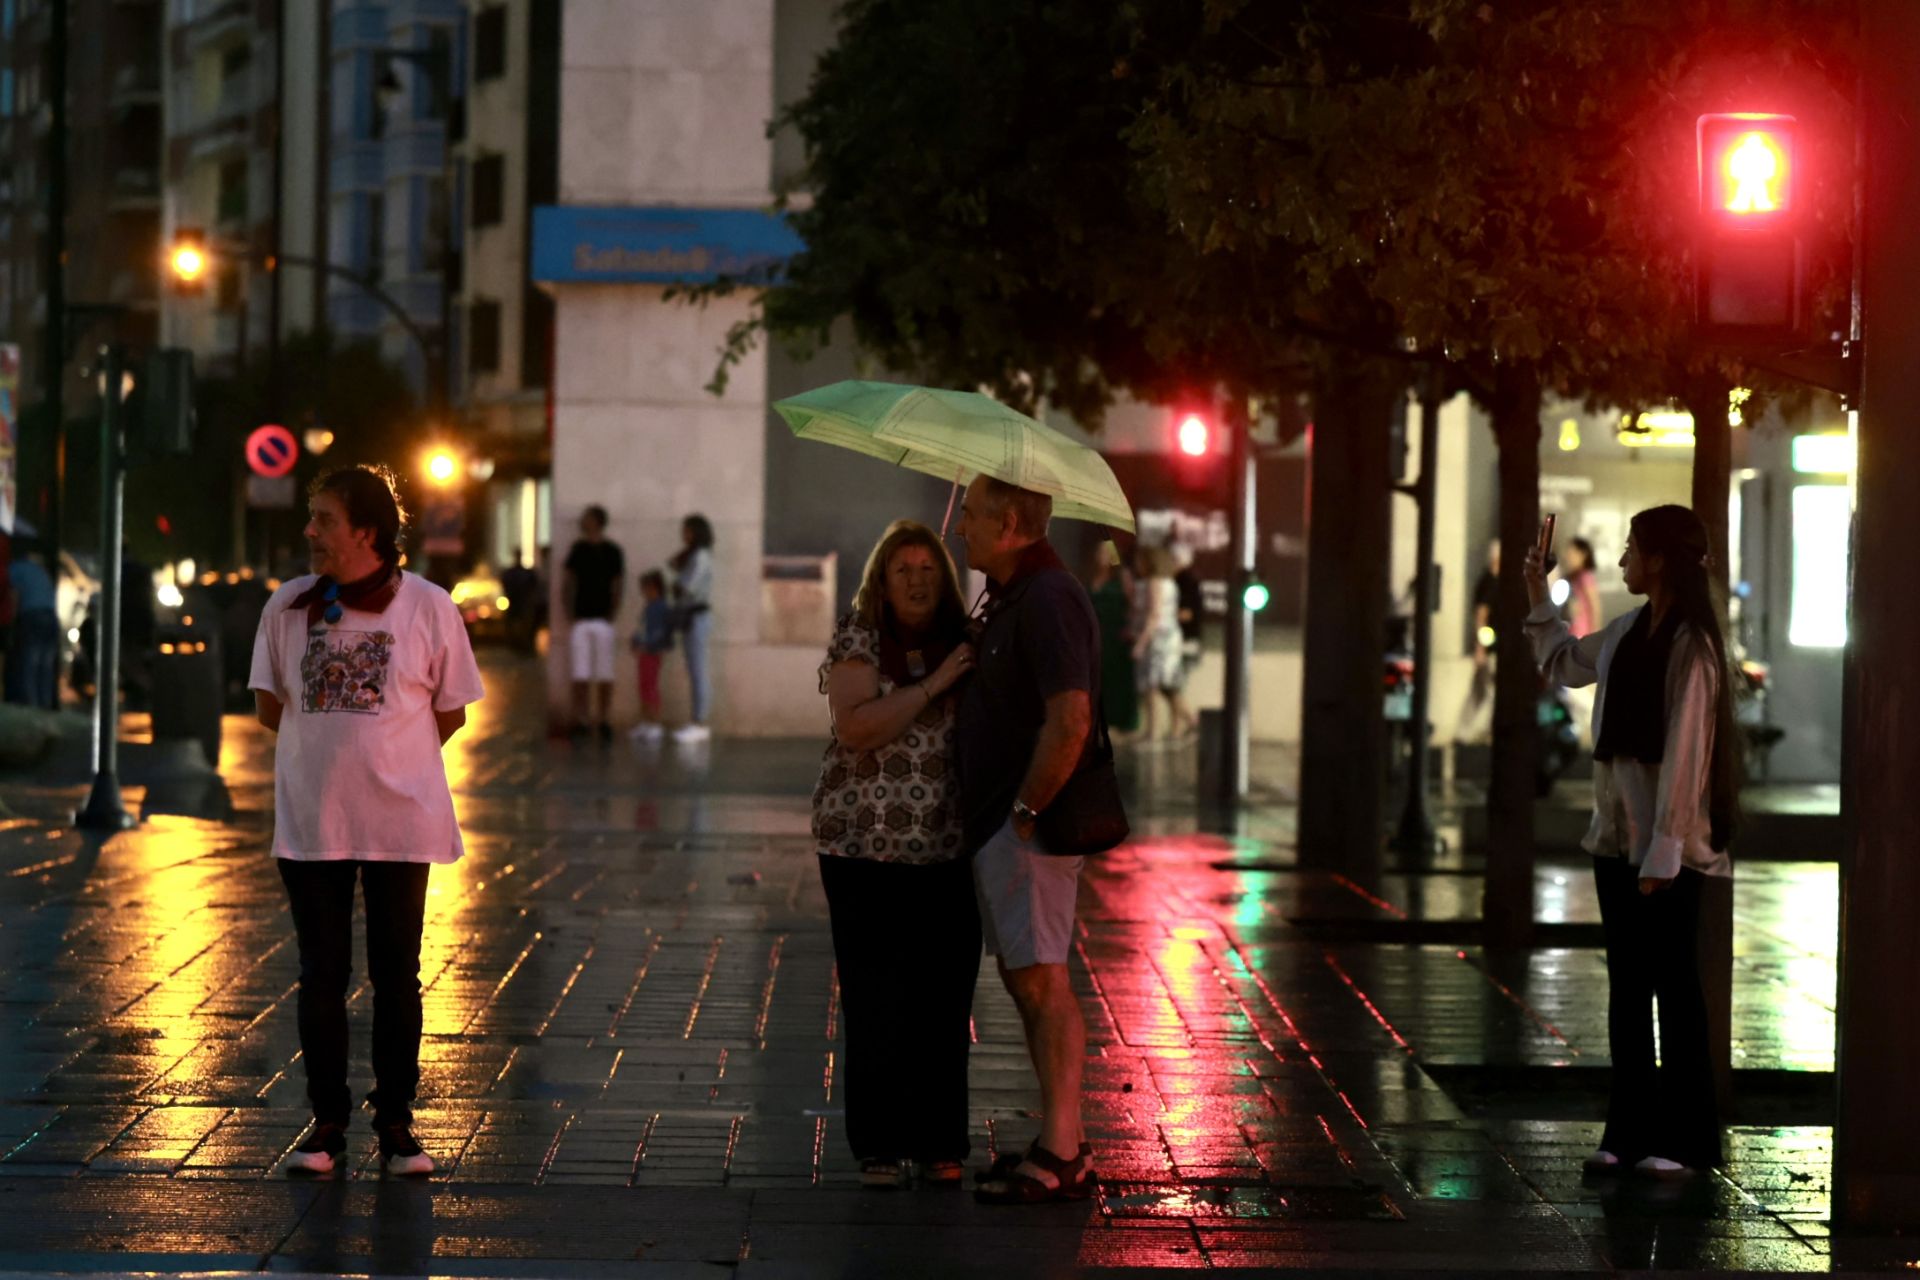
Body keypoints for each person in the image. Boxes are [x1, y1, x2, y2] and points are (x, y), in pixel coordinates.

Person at [249, 465, 484, 1177]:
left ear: (366, 532)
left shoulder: (429, 606)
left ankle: (397, 1124)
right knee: (320, 971)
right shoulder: (288, 607)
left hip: (400, 820)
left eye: (322, 519)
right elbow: (269, 705)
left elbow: (451, 709)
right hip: (313, 817)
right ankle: (325, 1124)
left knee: (396, 973)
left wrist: (392, 760)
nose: (309, 531)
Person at [1524, 505, 1736, 1179]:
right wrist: (1537, 591)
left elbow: (1687, 752)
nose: (1621, 562)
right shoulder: (1623, 633)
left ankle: (1688, 1140)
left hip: (1666, 850)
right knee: (1627, 990)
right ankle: (1629, 1131)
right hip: (1615, 841)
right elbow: (1563, 660)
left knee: (1675, 989)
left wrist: (1666, 850)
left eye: (1631, 550)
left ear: (1661, 561)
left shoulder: (1692, 647)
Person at [813, 520, 979, 1187]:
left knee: (944, 995)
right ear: (880, 581)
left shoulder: (968, 644)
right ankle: (879, 1145)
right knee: (875, 994)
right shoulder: (859, 638)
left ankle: (941, 1142)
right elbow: (854, 727)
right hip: (861, 846)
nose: (916, 579)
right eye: (902, 568)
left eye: (928, 568)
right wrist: (935, 684)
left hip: (946, 844)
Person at [954, 475, 1098, 1204]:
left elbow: (1069, 718)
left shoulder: (1049, 597)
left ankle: (1064, 1148)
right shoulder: (1013, 597)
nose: (959, 528)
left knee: (1041, 980)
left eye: (973, 516)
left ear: (1011, 522)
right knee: (1027, 975)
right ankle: (1058, 1140)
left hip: (1028, 828)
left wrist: (1023, 812)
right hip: (1006, 826)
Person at [562, 506, 625, 744]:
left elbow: (618, 582)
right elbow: (568, 581)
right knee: (581, 672)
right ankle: (582, 719)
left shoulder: (612, 551)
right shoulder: (578, 550)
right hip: (582, 618)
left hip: (602, 618)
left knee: (604, 672)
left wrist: (613, 611)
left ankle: (603, 719)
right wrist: (569, 611)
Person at [1133, 545, 1195, 742]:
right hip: (1167, 636)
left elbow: (1154, 614)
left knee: (1152, 684)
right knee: (1168, 684)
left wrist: (1141, 642)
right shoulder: (1169, 583)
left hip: (1159, 638)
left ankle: (1153, 731)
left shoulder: (1155, 583)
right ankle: (1190, 722)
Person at [669, 514, 715, 744]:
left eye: (687, 530)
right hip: (691, 617)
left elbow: (686, 588)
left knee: (698, 671)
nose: (684, 535)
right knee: (694, 669)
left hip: (697, 617)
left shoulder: (701, 557)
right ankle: (696, 719)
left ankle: (700, 721)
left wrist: (676, 584)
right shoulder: (694, 556)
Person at [1085, 543, 1138, 735]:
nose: (1101, 556)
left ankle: (1122, 724)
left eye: (1105, 553)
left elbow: (1134, 605)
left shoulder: (1122, 577)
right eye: (1098, 552)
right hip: (1097, 634)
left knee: (1118, 679)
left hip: (1117, 634)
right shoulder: (1091, 576)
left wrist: (1131, 628)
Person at [1454, 538, 1501, 744]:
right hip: (1491, 648)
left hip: (1493, 646)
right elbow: (1481, 614)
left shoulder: (1494, 580)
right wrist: (1481, 647)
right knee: (1489, 691)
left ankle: (1463, 732)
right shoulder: (1489, 582)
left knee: (1479, 691)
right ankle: (1484, 730)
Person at [7, 542, 59, 709]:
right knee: (45, 664)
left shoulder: (14, 569)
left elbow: (14, 596)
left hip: (31, 616)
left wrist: (11, 622)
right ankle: (44, 706)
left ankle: (31, 706)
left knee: (29, 662)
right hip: (50, 616)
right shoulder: (39, 569)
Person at [627, 570, 673, 744]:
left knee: (650, 686)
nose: (643, 593)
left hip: (651, 652)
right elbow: (642, 628)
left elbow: (658, 632)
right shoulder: (649, 607)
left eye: (645, 588)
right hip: (645, 651)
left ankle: (654, 723)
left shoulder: (660, 608)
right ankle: (646, 721)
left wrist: (646, 645)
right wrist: (635, 642)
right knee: (644, 685)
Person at [1559, 536, 1604, 639]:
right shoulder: (1568, 578)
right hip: (1569, 632)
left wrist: (1595, 634)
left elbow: (1595, 606)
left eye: (1572, 553)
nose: (1568, 557)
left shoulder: (1585, 577)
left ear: (1583, 555)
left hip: (1582, 634)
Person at [500, 549, 539, 652]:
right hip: (516, 603)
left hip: (521, 603)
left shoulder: (522, 573)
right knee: (515, 626)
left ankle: (521, 645)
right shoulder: (516, 573)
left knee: (521, 626)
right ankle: (517, 645)